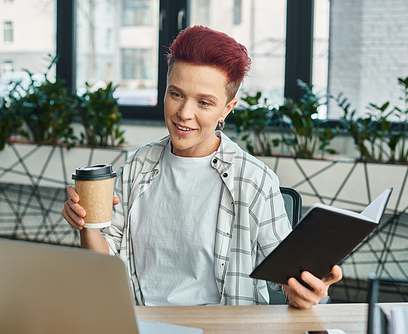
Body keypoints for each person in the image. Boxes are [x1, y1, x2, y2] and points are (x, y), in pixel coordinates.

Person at [62, 25, 342, 309]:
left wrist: (308, 293)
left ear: (227, 109)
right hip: (142, 323)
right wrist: (88, 226)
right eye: (176, 94)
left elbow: (291, 281)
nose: (184, 113)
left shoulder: (253, 180)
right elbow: (104, 265)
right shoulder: (136, 167)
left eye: (204, 102)